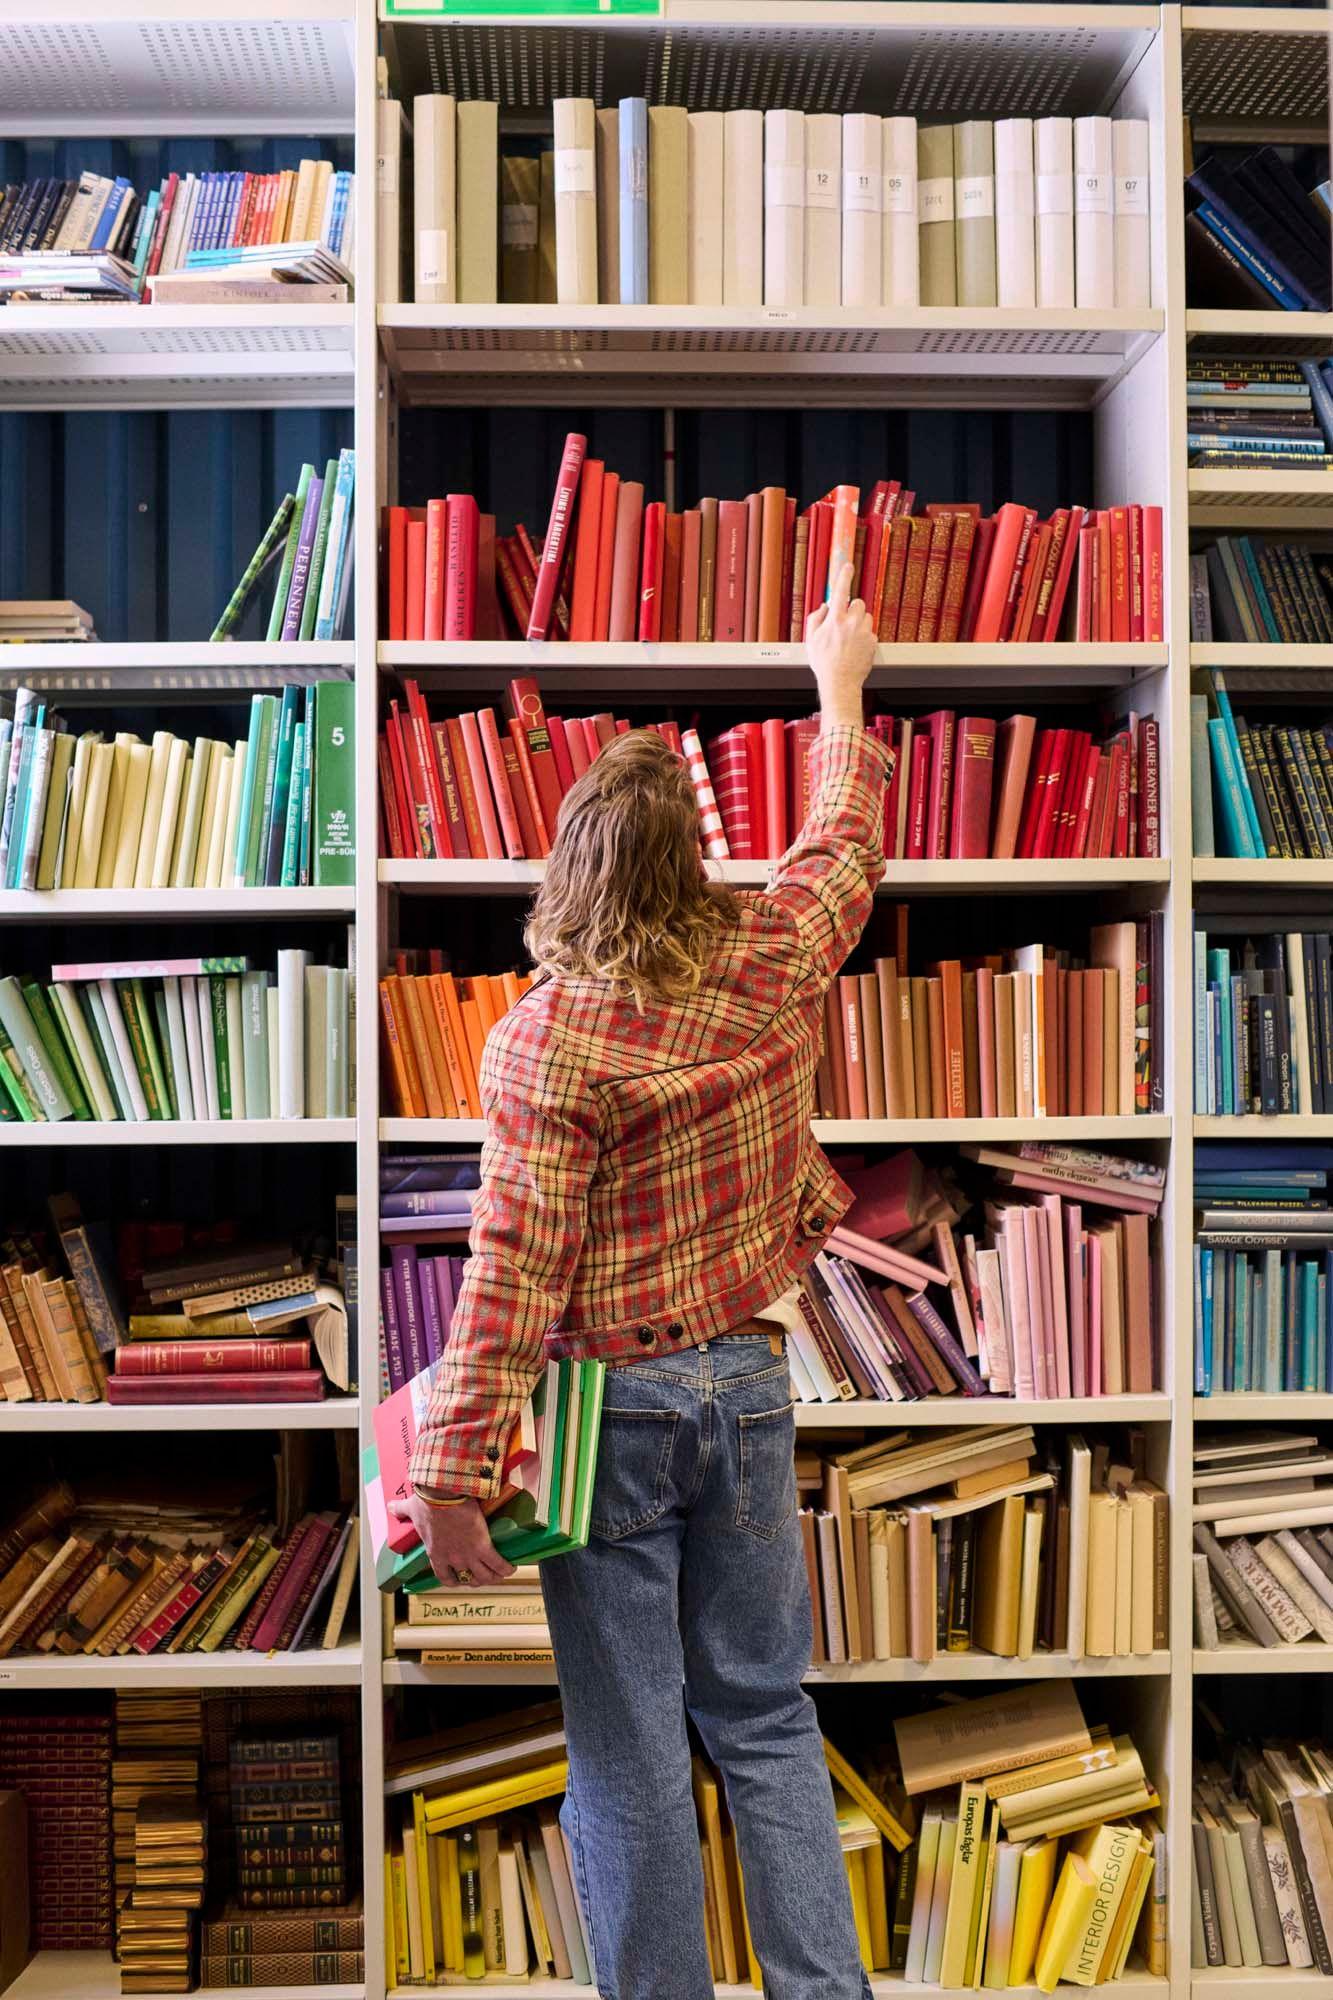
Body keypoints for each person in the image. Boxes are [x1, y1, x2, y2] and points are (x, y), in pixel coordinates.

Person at [390, 560, 890, 2000]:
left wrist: (452, 1466)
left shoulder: (542, 1041)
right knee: (765, 1717)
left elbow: (512, 1272)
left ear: (570, 865)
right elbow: (839, 839)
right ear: (689, 863)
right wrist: (836, 684)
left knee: (628, 1743)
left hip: (608, 1412)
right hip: (746, 1382)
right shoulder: (775, 955)